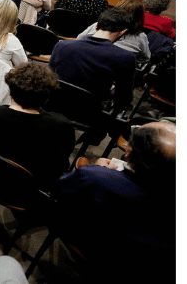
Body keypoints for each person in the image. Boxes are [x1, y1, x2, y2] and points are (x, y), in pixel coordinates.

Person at [52, 121, 176, 283]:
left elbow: (58, 191)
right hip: (140, 268)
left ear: (129, 152)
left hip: (86, 242)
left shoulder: (93, 177)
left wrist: (99, 173)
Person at [0, 63, 75, 190]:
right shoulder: (61, 128)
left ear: (10, 92)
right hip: (21, 191)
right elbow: (59, 167)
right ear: (46, 99)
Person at [49, 8, 135, 110]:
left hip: (55, 105)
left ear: (96, 26)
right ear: (122, 32)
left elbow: (49, 78)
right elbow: (123, 98)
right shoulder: (125, 57)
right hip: (90, 112)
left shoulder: (62, 45)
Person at [76, 0, 150, 65]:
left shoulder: (99, 25)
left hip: (85, 63)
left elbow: (79, 40)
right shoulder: (141, 37)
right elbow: (146, 58)